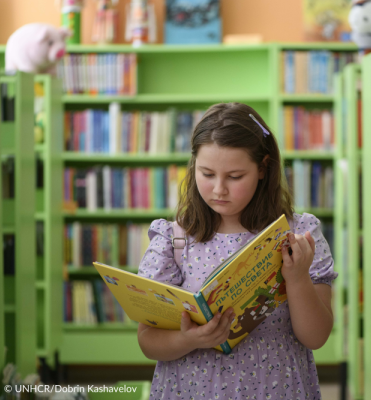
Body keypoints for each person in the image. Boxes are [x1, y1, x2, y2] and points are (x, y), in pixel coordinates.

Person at [136, 103, 337, 398]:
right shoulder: (172, 239)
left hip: (277, 387)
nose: (219, 189)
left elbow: (316, 337)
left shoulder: (299, 234)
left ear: (263, 169)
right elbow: (147, 341)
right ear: (193, 167)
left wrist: (296, 279)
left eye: (234, 176)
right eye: (207, 173)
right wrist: (191, 339)